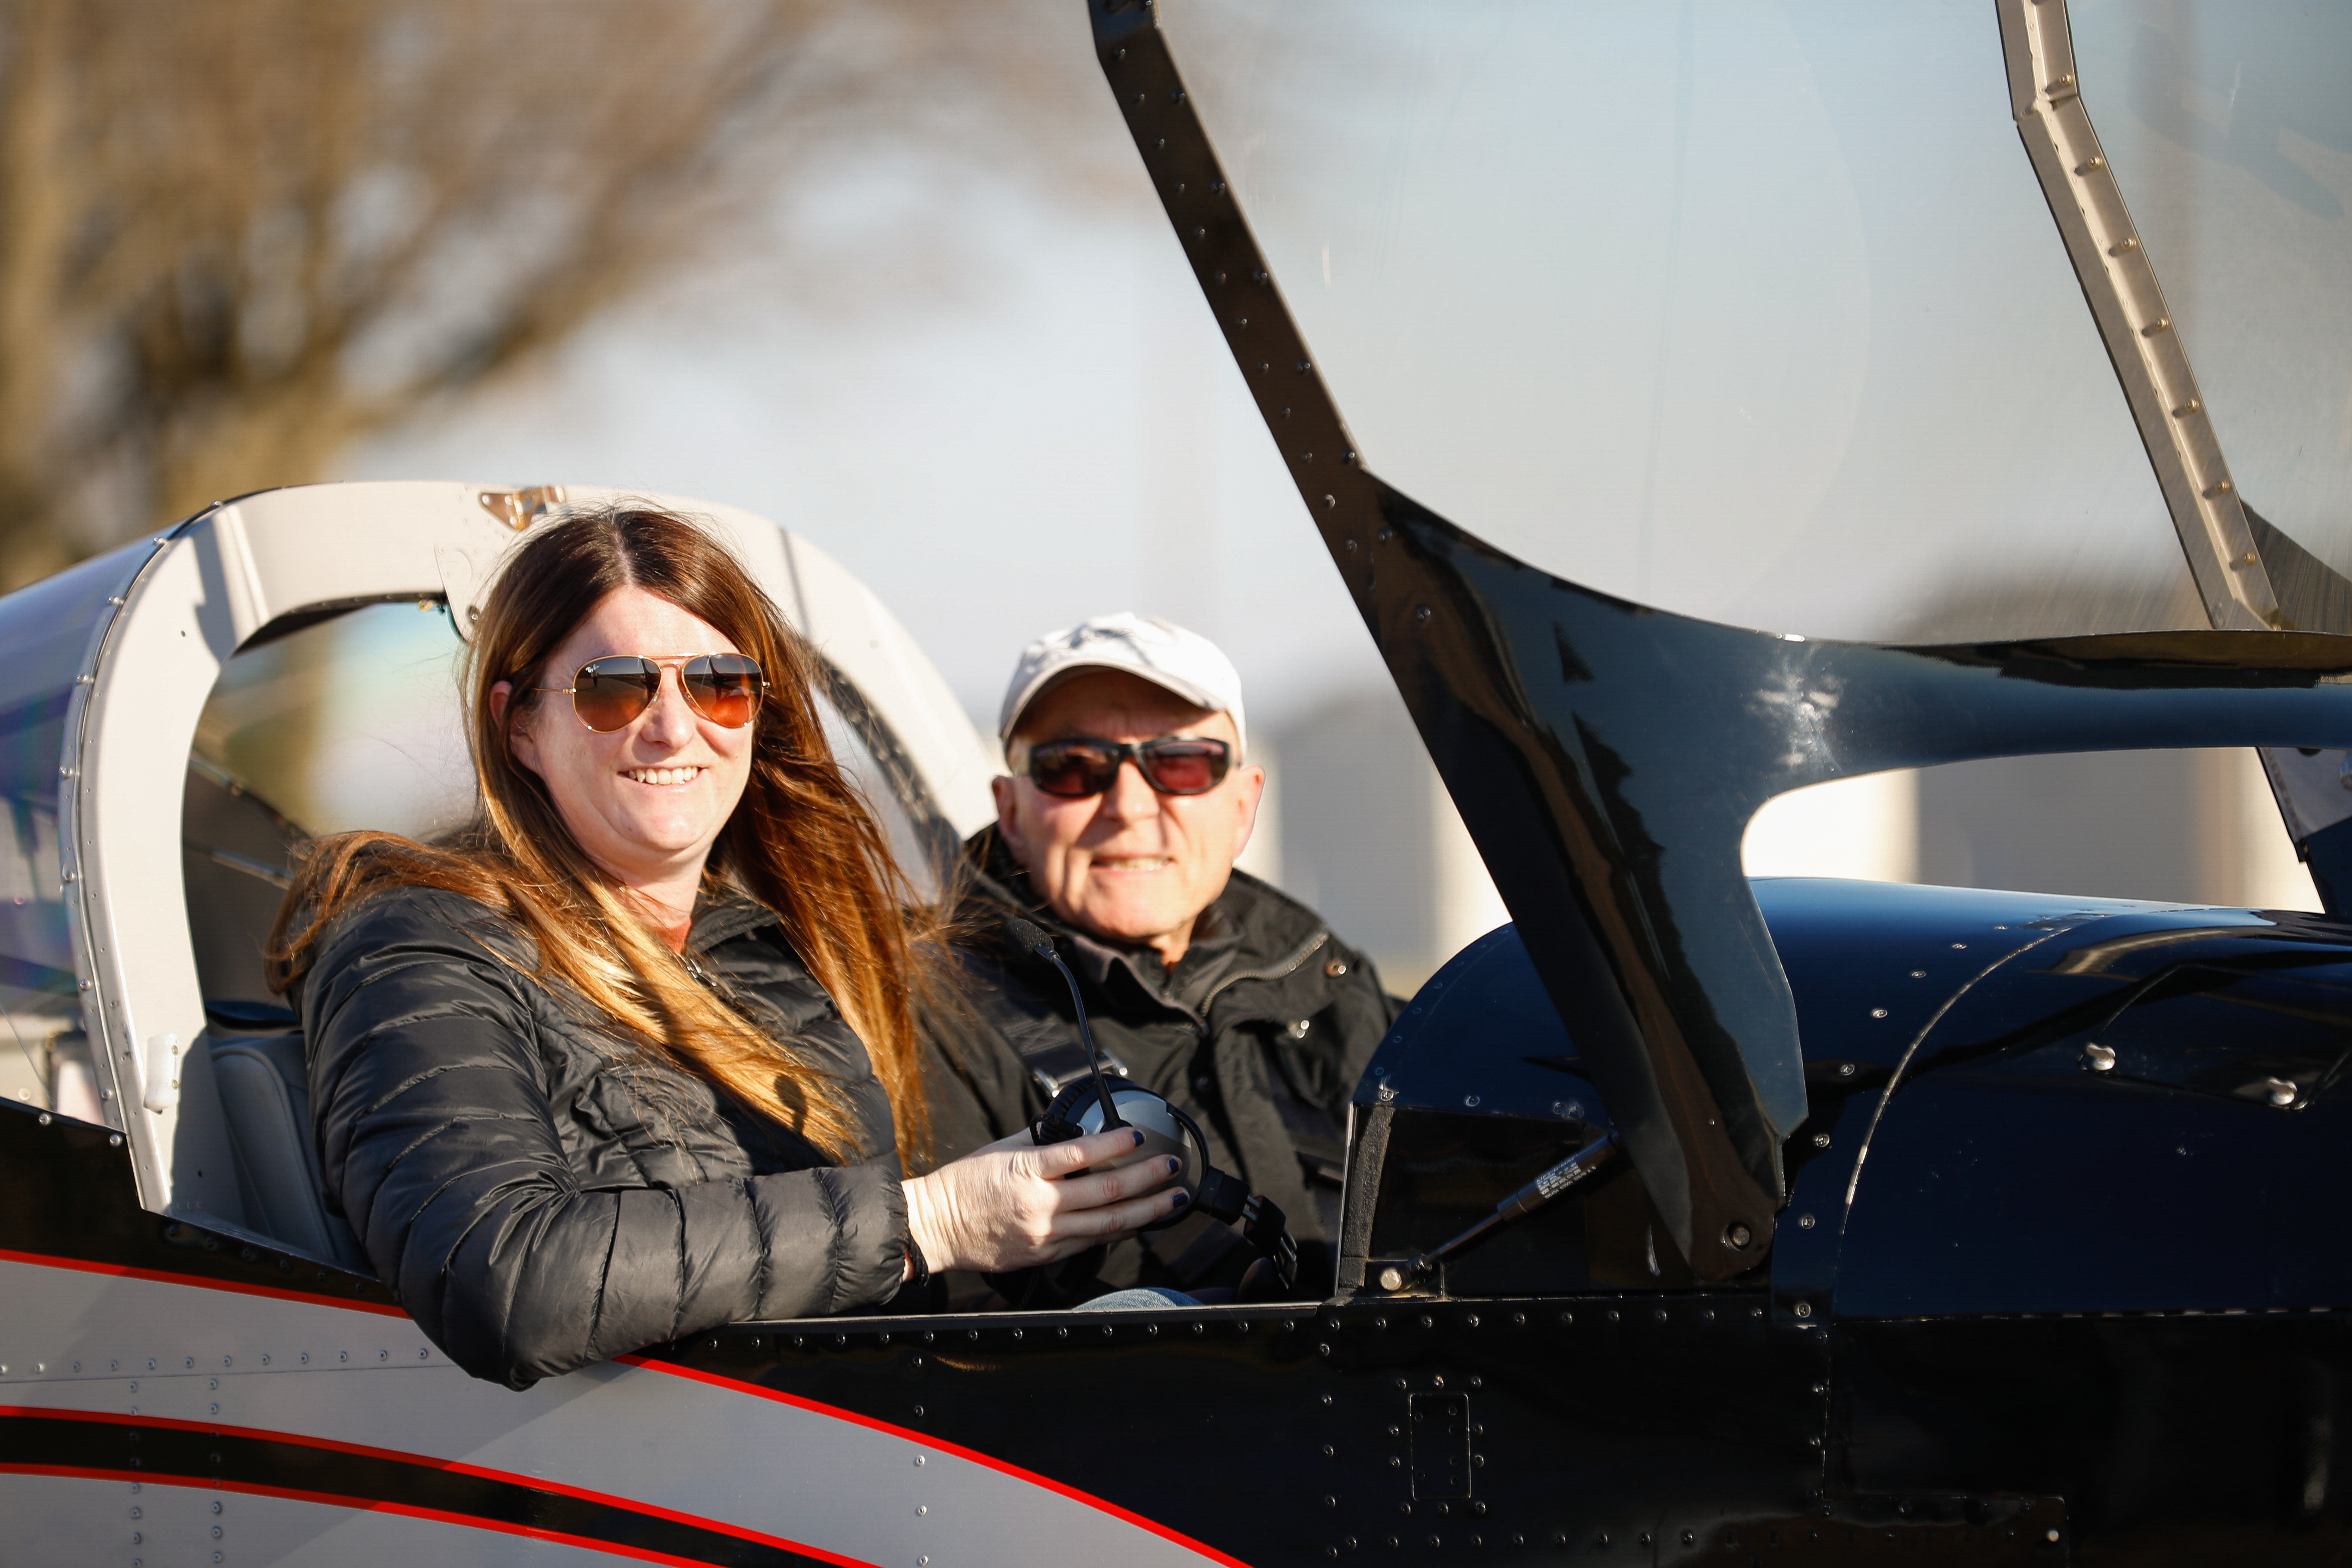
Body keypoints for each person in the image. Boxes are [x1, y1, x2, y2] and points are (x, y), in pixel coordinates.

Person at [268, 507, 1185, 1388]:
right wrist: (930, 1219)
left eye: (718, 684)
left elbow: (869, 1284)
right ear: (521, 728)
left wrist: (1038, 1204)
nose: (674, 726)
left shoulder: (776, 961)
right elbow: (501, 1279)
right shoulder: (418, 946)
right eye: (615, 687)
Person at [926, 613, 1402, 1305]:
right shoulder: (914, 1010)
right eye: (1074, 766)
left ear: (1243, 805)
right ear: (1012, 811)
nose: (1129, 807)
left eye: (1181, 763)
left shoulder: (1332, 986)